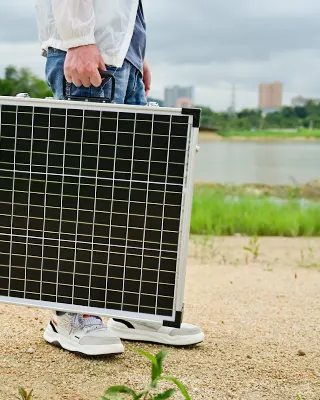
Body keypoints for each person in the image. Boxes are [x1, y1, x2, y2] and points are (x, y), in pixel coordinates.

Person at [35, 0, 204, 356]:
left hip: (119, 54)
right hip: (87, 52)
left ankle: (133, 309)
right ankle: (70, 314)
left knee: (131, 196)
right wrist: (78, 38)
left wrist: (133, 51)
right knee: (86, 193)